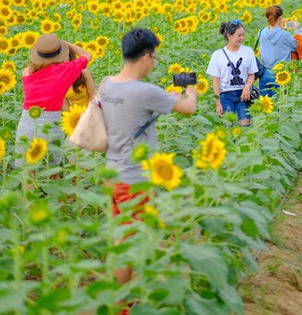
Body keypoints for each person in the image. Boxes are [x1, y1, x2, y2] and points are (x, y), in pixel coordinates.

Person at [101, 28, 197, 284]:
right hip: (134, 179)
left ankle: (120, 295)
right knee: (128, 246)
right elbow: (188, 109)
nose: (154, 63)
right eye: (154, 57)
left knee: (121, 237)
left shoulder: (107, 85)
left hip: (112, 174)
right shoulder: (146, 92)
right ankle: (119, 305)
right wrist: (191, 93)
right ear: (145, 57)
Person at [15, 34, 92, 166]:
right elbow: (87, 55)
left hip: (27, 121)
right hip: (51, 124)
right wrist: (65, 43)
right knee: (52, 171)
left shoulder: (27, 72)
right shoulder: (65, 71)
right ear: (61, 54)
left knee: (27, 172)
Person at [207, 20, 258, 127]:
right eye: (239, 35)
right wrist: (218, 103)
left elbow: (251, 74)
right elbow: (215, 81)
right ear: (229, 36)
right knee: (229, 129)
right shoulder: (218, 55)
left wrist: (247, 87)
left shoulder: (248, 51)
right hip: (225, 96)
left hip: (243, 95)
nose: (242, 38)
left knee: (245, 128)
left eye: (243, 35)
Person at [257, 5, 298, 96]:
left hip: (264, 74)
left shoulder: (261, 32)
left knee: (265, 104)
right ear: (280, 18)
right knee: (280, 104)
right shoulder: (285, 35)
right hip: (280, 75)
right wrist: (296, 30)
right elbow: (297, 46)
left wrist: (279, 30)